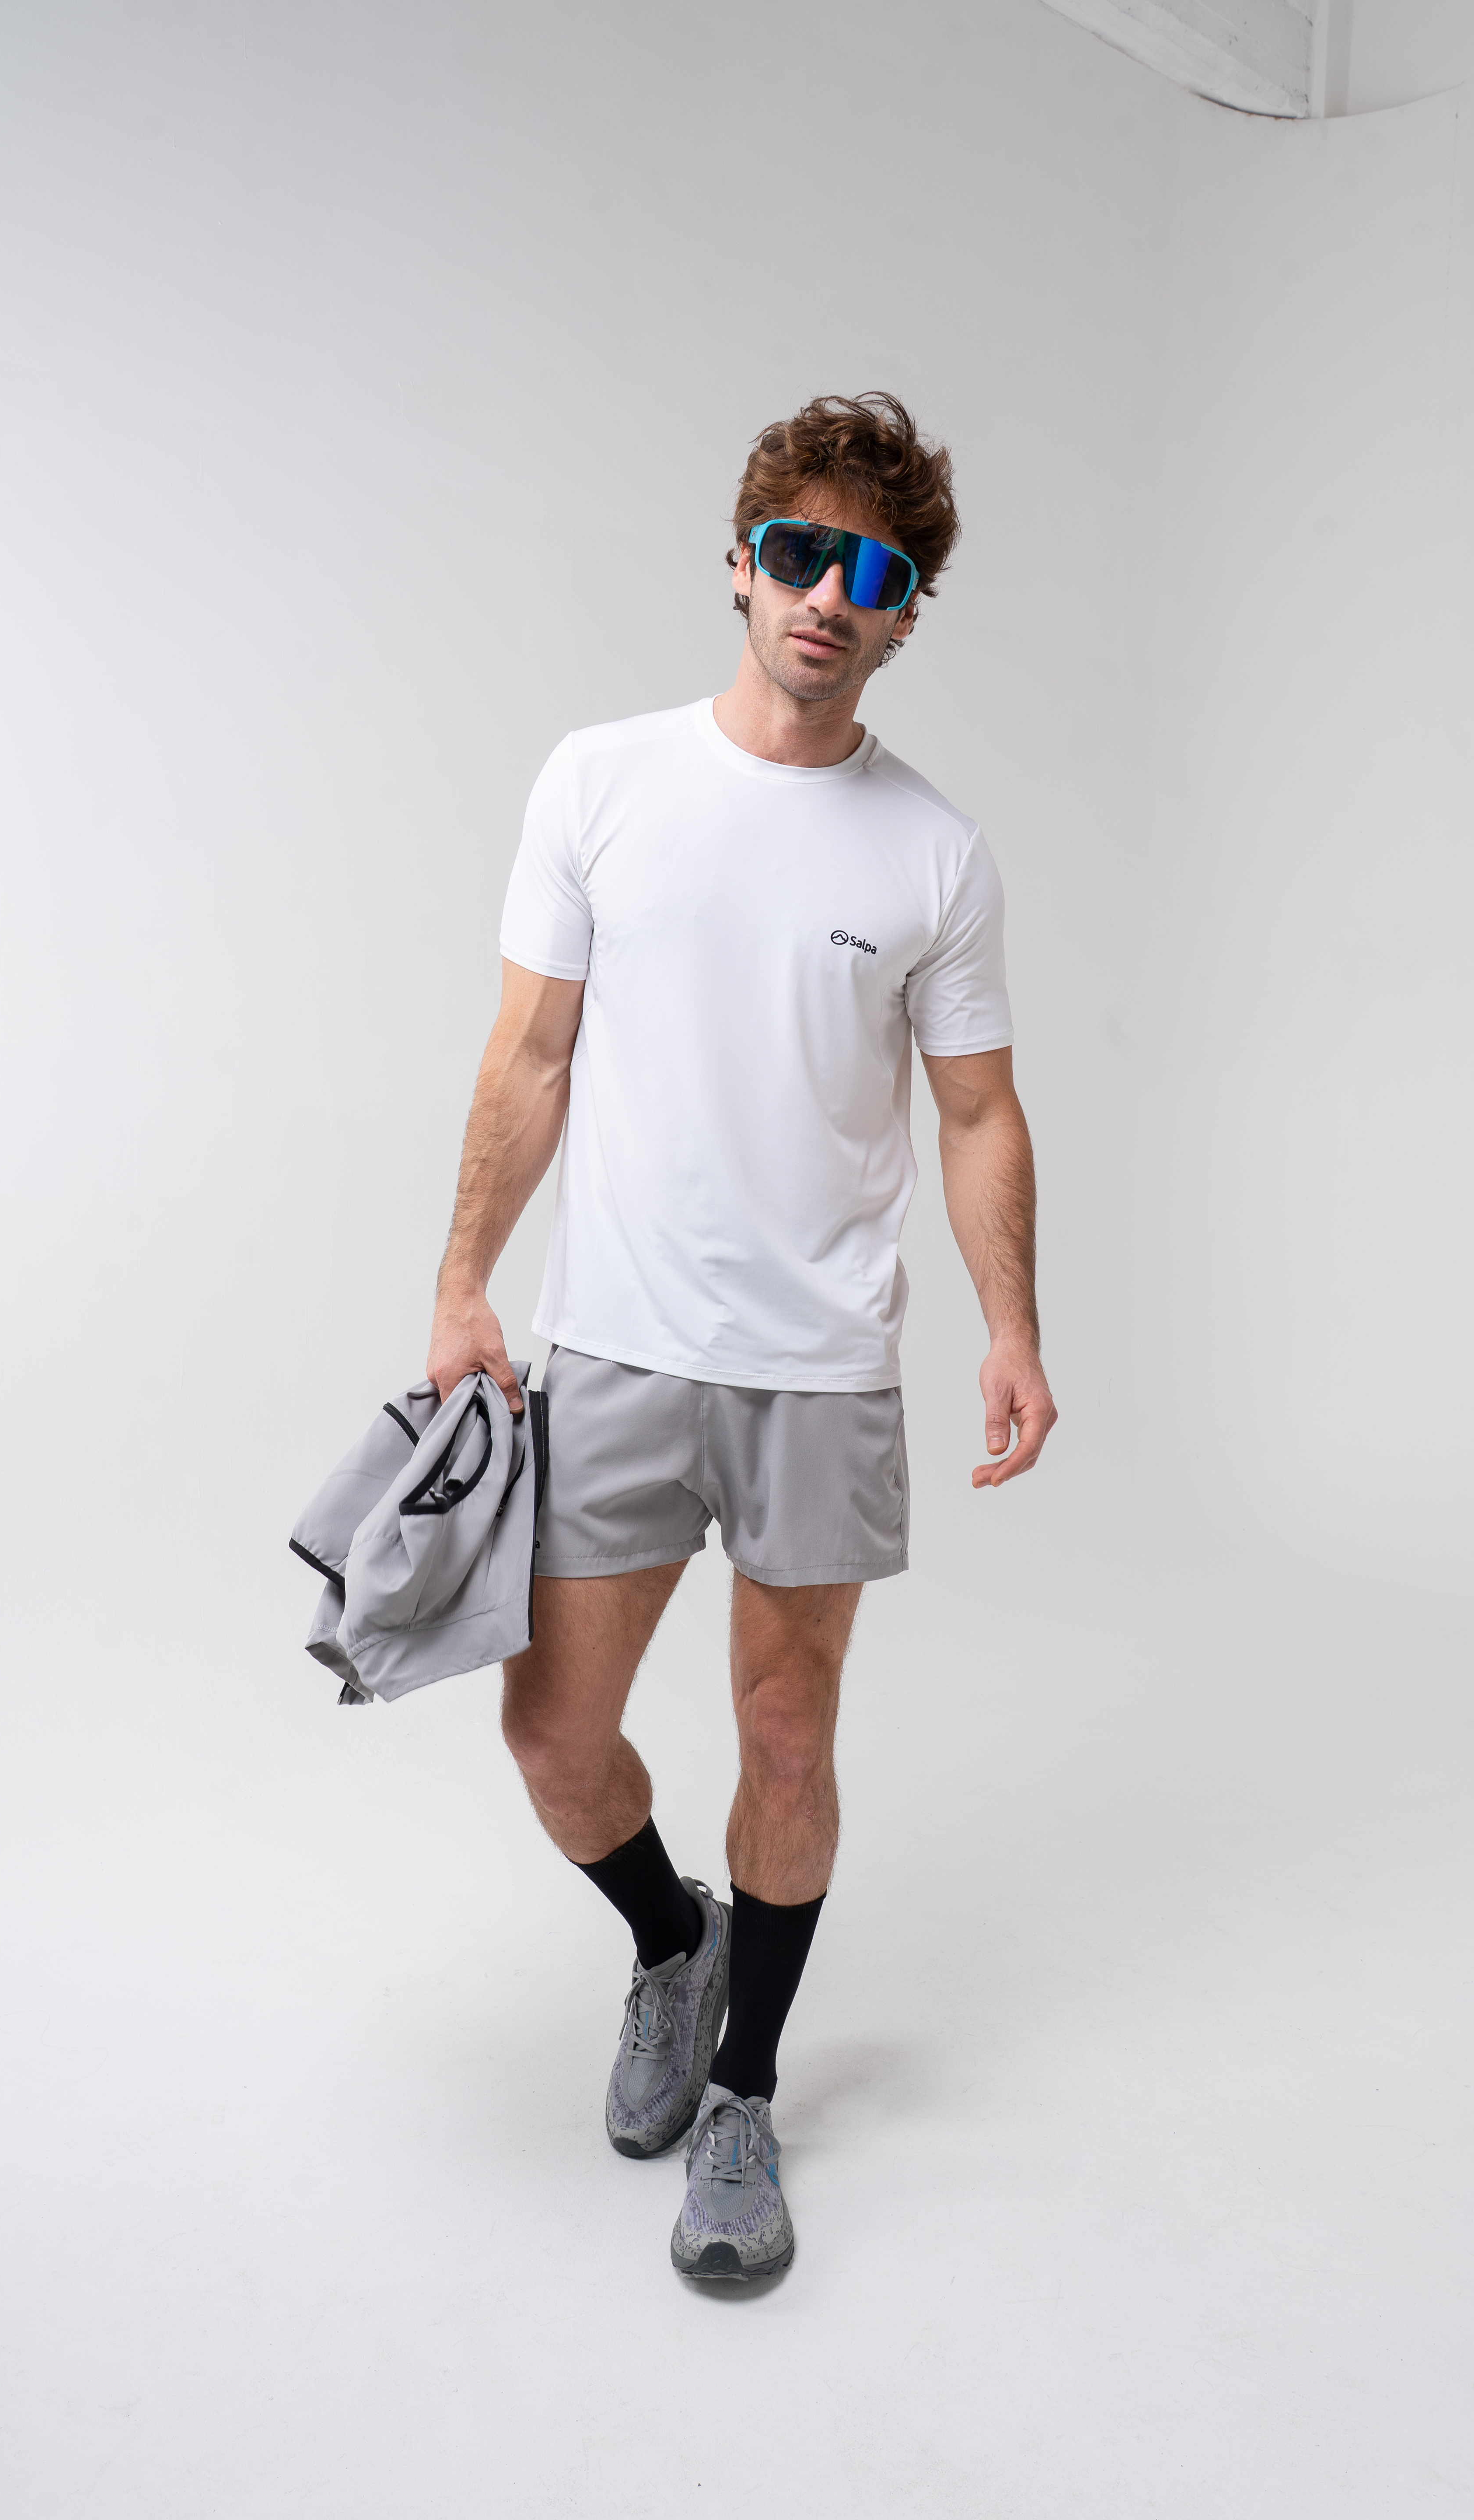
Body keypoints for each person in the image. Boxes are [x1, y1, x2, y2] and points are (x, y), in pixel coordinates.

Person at [424, 391, 1057, 2282]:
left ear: (906, 612)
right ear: (740, 563)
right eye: (800, 552)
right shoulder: (600, 781)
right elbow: (529, 1056)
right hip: (616, 1343)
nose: (829, 594)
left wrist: (1013, 1327)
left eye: (876, 571)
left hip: (819, 1371)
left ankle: (746, 2093)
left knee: (786, 1735)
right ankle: (670, 1944)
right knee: (553, 1733)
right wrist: (462, 1283)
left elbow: (977, 1113)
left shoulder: (935, 854)